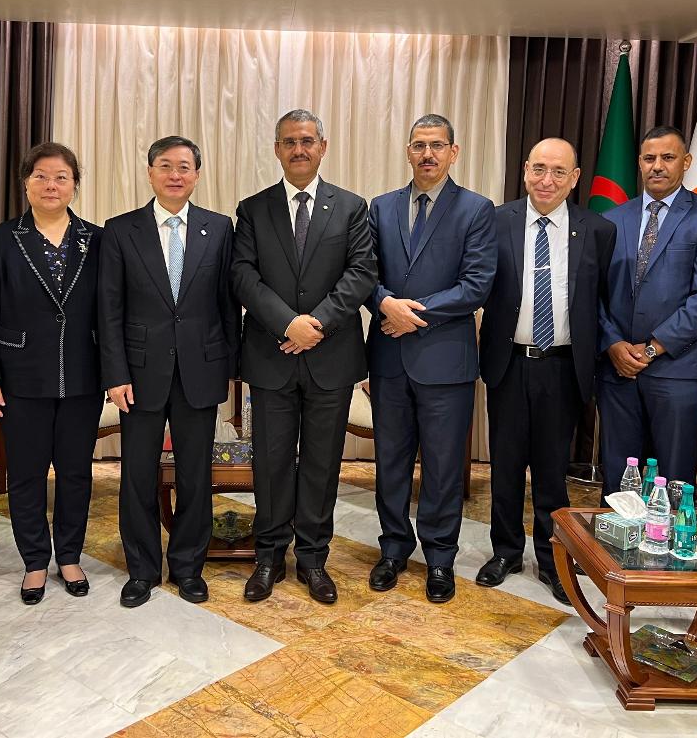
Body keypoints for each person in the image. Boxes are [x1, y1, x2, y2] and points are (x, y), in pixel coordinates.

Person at [231, 109, 376, 604]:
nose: (299, 149)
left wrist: (315, 325)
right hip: (271, 355)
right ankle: (268, 557)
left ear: (323, 147)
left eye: (307, 141)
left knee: (321, 463)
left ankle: (313, 558)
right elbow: (243, 275)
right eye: (289, 141)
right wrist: (286, 323)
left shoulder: (352, 207)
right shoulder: (252, 209)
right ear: (277, 149)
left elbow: (361, 273)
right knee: (270, 463)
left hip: (330, 358)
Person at [99, 136, 238, 608]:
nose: (175, 175)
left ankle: (187, 567)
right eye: (165, 166)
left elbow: (227, 304)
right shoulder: (121, 230)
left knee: (196, 475)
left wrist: (229, 368)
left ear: (197, 175)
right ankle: (141, 570)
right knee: (138, 475)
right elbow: (109, 310)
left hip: (201, 369)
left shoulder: (219, 228)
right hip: (139, 374)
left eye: (184, 167)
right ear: (150, 172)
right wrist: (115, 373)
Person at [476, 138, 615, 604]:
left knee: (553, 472)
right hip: (509, 363)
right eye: (538, 168)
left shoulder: (598, 230)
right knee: (506, 466)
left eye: (558, 171)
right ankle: (505, 552)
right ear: (524, 170)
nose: (547, 180)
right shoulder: (496, 221)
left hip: (563, 367)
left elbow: (604, 301)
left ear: (575, 178)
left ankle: (553, 558)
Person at [366, 113, 497, 603]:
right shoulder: (381, 207)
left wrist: (410, 315)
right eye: (419, 145)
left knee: (442, 468)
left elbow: (476, 285)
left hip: (446, 361)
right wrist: (386, 304)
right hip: (389, 359)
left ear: (453, 152)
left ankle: (440, 558)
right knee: (390, 462)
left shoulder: (476, 209)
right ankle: (393, 549)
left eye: (437, 145)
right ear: (408, 151)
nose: (427, 154)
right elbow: (365, 273)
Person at [0, 142, 100, 605]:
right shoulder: (2, 238)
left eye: (61, 177)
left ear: (74, 185)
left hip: (83, 376)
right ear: (25, 183)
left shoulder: (96, 239)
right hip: (19, 375)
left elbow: (109, 310)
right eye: (41, 176)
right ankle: (35, 561)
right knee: (25, 474)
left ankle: (70, 555)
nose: (51, 185)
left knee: (76, 473)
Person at [596, 125, 697, 494]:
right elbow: (594, 294)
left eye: (668, 157)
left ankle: (665, 535)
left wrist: (654, 348)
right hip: (617, 369)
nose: (657, 166)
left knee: (672, 482)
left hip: (676, 369)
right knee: (618, 480)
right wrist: (612, 344)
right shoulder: (612, 219)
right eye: (649, 158)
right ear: (639, 163)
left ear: (686, 162)